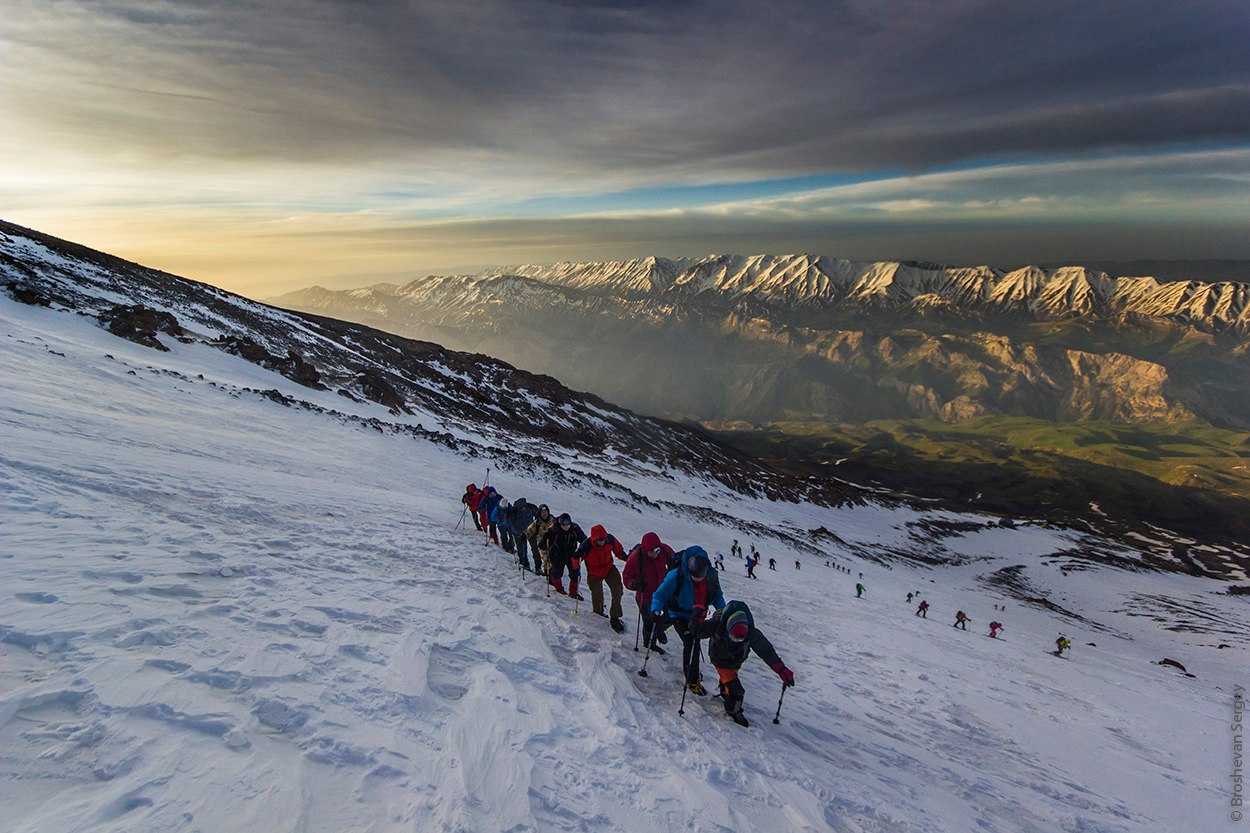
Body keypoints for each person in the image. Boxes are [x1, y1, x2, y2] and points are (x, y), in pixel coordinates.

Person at [696, 600, 794, 727]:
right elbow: (697, 631)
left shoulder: (751, 633)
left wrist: (781, 669)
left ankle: (726, 692)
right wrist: (696, 617)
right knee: (737, 691)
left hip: (737, 659)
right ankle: (733, 712)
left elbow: (766, 651)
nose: (737, 640)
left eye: (741, 638)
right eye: (734, 636)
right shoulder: (717, 625)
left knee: (730, 682)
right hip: (720, 659)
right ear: (728, 628)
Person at [652, 547, 725, 696]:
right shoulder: (676, 576)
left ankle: (693, 674)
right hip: (678, 614)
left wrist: (723, 613)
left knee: (693, 641)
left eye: (699, 576)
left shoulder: (711, 577)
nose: (697, 579)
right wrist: (655, 609)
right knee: (691, 641)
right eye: (694, 576)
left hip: (698, 617)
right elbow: (659, 595)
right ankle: (692, 680)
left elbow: (717, 597)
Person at [623, 532, 675, 652]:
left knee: (668, 617)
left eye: (658, 550)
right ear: (646, 550)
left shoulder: (664, 550)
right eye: (653, 551)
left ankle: (659, 632)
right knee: (649, 622)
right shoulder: (636, 558)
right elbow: (626, 578)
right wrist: (634, 585)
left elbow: (674, 560)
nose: (656, 553)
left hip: (663, 593)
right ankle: (649, 644)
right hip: (645, 596)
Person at [575, 524, 628, 632]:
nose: (601, 542)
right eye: (599, 540)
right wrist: (575, 568)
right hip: (594, 571)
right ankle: (598, 615)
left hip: (609, 567)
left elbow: (619, 551)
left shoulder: (610, 539)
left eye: (603, 539)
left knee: (617, 590)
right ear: (594, 540)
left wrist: (628, 559)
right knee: (597, 594)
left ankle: (615, 617)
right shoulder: (587, 545)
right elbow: (577, 557)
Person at [543, 513, 587, 598]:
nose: (566, 527)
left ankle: (573, 593)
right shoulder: (554, 529)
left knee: (575, 574)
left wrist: (583, 550)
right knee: (557, 573)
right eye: (563, 524)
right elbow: (544, 541)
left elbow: (583, 540)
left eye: (568, 524)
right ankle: (559, 589)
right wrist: (545, 540)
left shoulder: (574, 528)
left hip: (572, 554)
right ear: (560, 523)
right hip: (557, 554)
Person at [503, 498, 538, 571]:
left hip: (529, 531)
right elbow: (507, 524)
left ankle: (536, 567)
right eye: (522, 508)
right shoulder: (514, 511)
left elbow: (538, 516)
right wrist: (507, 515)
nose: (524, 509)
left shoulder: (530, 508)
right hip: (519, 533)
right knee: (523, 550)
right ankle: (526, 564)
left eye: (524, 507)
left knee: (535, 549)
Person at [525, 504, 556, 576]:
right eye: (542, 512)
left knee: (554, 561)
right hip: (542, 545)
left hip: (553, 544)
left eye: (545, 512)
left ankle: (553, 576)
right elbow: (529, 530)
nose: (544, 514)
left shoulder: (554, 521)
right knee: (546, 560)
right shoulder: (537, 523)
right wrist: (524, 536)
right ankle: (549, 576)